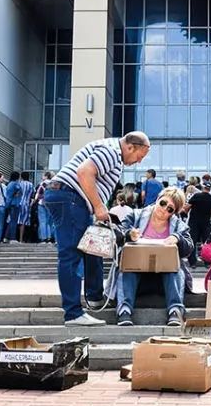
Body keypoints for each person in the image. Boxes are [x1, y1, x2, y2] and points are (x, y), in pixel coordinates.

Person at [49, 132, 151, 327]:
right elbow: (84, 172)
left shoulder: (112, 150)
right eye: (139, 156)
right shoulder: (112, 151)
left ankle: (95, 297)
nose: (138, 162)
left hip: (72, 199)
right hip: (71, 198)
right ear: (131, 147)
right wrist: (98, 206)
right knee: (70, 255)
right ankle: (73, 314)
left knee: (92, 247)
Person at [115, 187, 192, 327]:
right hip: (136, 274)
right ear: (157, 199)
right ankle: (124, 311)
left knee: (175, 268)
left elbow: (189, 247)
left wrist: (177, 238)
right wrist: (129, 234)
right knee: (127, 268)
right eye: (163, 203)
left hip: (165, 278)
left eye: (170, 209)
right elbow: (118, 233)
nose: (164, 210)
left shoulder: (178, 225)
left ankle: (175, 311)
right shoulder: (136, 215)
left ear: (174, 213)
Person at [185, 183, 211, 265]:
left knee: (193, 241)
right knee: (206, 242)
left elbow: (187, 207)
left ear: (203, 187)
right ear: (209, 189)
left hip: (194, 222)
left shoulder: (196, 196)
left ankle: (192, 262)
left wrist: (186, 212)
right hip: (206, 223)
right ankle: (207, 261)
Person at [34, 171, 55, 244]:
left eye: (43, 176)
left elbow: (38, 193)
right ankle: (49, 238)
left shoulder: (43, 183)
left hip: (42, 203)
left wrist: (35, 199)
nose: (42, 177)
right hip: (51, 204)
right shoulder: (53, 183)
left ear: (46, 176)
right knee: (49, 222)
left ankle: (43, 238)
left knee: (43, 221)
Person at [2, 171, 21, 243]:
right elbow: (10, 196)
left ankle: (6, 237)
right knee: (13, 221)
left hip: (11, 204)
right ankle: (12, 238)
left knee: (11, 221)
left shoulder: (10, 184)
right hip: (14, 204)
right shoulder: (15, 184)